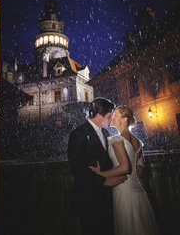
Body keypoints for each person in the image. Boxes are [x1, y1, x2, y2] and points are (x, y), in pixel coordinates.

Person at [89, 105, 159, 235]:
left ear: (125, 119)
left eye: (116, 115)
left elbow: (125, 168)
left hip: (123, 189)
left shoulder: (117, 139)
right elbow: (140, 168)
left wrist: (101, 174)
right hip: (140, 189)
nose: (112, 117)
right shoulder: (137, 140)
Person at [67, 97, 127, 235]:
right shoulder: (78, 134)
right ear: (99, 115)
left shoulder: (105, 132)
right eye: (109, 116)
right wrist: (105, 181)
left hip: (106, 197)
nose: (111, 119)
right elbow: (77, 168)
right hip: (89, 198)